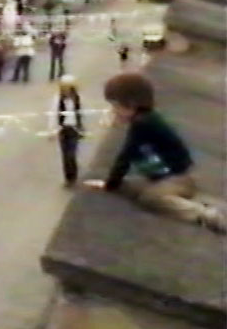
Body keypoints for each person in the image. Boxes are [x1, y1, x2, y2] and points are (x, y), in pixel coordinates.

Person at [84, 73, 226, 233]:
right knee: (131, 187)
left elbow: (126, 155)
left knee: (151, 198)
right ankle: (192, 201)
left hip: (179, 178)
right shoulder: (146, 119)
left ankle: (204, 215)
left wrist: (109, 185)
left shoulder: (143, 123)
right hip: (170, 176)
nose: (114, 111)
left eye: (116, 106)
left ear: (131, 104)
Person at [49, 75, 84, 187]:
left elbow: (81, 113)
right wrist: (52, 130)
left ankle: (73, 176)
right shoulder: (57, 99)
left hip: (74, 129)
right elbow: (53, 114)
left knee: (71, 154)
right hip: (62, 129)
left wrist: (82, 128)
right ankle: (68, 177)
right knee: (65, 155)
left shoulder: (77, 98)